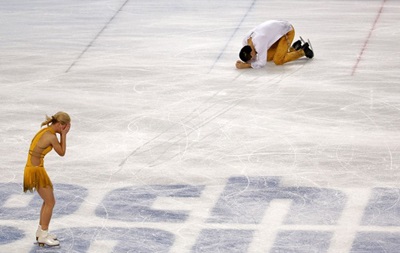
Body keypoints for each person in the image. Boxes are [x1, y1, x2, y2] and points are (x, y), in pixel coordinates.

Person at [23, 112, 71, 247]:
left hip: (35, 169)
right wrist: (64, 135)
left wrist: (61, 133)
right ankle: (43, 235)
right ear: (61, 125)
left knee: (48, 201)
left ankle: (41, 232)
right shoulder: (51, 136)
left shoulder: (45, 131)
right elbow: (62, 153)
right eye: (66, 126)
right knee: (50, 202)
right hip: (35, 171)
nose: (67, 128)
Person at [236, 20, 313, 69]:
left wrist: (246, 66)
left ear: (252, 53)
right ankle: (294, 49)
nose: (252, 60)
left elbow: (261, 63)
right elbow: (259, 59)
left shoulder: (259, 43)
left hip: (287, 31)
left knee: (278, 60)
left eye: (251, 58)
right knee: (269, 57)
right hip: (277, 33)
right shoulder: (245, 41)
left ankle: (302, 51)